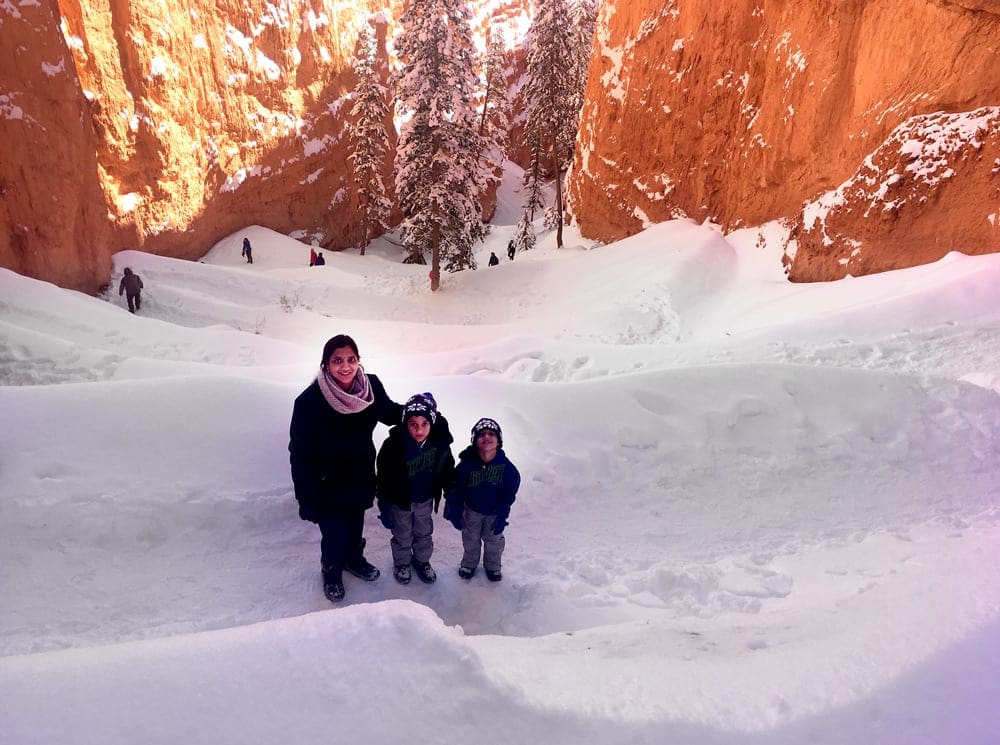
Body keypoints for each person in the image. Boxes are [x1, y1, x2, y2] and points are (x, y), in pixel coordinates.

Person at [289, 334, 403, 602]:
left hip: (360, 476)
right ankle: (331, 571)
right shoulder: (308, 402)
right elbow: (300, 454)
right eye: (337, 360)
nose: (345, 366)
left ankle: (354, 559)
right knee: (334, 534)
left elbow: (390, 413)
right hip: (326, 484)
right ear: (326, 364)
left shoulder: (370, 388)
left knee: (354, 527)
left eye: (351, 359)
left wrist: (420, 413)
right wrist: (305, 497)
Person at [375, 393, 455, 584]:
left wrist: (452, 497)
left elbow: (448, 472)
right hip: (400, 502)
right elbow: (383, 477)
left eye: (424, 424)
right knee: (402, 534)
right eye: (413, 424)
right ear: (406, 424)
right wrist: (384, 503)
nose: (419, 429)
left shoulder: (439, 447)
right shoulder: (393, 446)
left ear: (432, 423)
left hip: (425, 500)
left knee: (424, 533)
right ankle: (402, 563)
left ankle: (422, 561)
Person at [443, 417, 520, 582]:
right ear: (474, 440)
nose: (486, 437)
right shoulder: (466, 466)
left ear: (499, 441)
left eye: (491, 434)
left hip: (494, 513)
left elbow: (509, 493)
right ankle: (469, 563)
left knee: (493, 540)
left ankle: (493, 566)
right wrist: (455, 509)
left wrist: (502, 514)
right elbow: (457, 488)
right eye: (482, 434)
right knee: (470, 538)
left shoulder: (507, 469)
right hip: (471, 510)